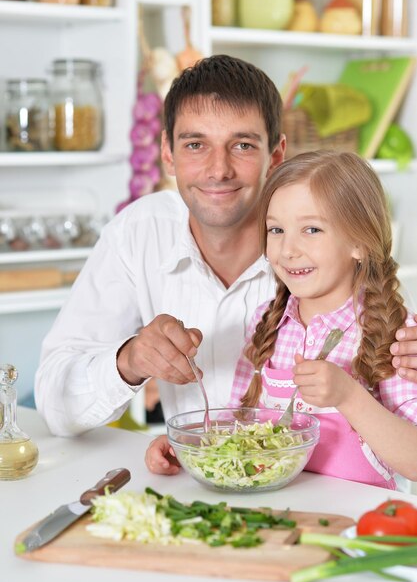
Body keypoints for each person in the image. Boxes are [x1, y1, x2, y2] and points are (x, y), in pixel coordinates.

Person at [35, 55, 417, 439]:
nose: (219, 170)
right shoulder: (139, 232)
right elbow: (53, 403)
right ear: (167, 152)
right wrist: (128, 362)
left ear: (277, 154)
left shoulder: (321, 249)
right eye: (196, 144)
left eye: (243, 145)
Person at [146, 151, 417, 489]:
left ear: (359, 242)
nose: (288, 249)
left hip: (359, 527)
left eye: (312, 229)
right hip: (280, 516)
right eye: (276, 229)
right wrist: (195, 448)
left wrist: (349, 396)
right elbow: (242, 423)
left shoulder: (396, 334)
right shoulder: (268, 322)